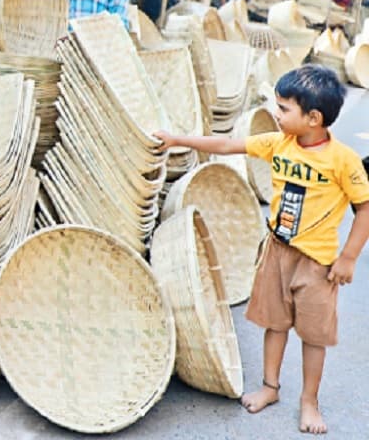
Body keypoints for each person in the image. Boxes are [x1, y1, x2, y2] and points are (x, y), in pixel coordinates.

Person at [154, 65, 369, 435]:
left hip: (317, 264)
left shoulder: (343, 160)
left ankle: (309, 401)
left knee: (314, 336)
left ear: (313, 119)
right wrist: (178, 139)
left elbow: (364, 207)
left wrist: (348, 256)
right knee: (275, 322)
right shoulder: (277, 143)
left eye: (284, 108)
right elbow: (225, 145)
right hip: (277, 250)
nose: (276, 112)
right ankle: (270, 387)